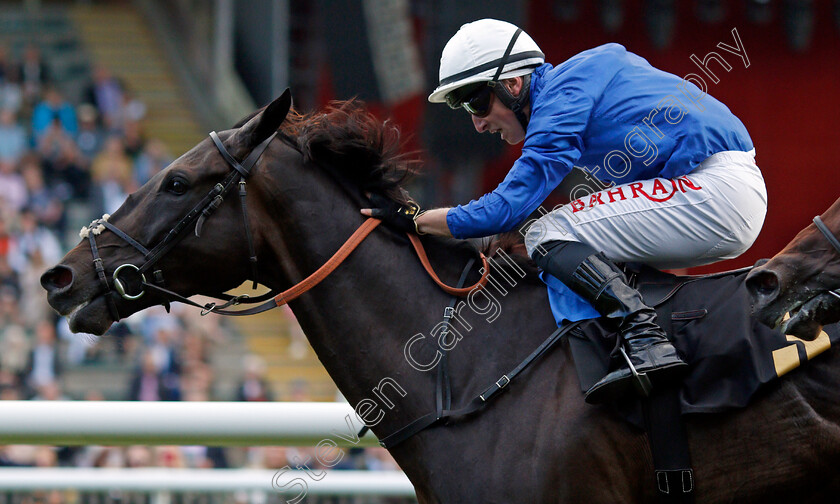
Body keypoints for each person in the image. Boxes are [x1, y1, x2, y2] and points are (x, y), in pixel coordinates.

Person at [362, 19, 767, 404]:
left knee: (547, 232)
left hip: (716, 189)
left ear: (513, 83)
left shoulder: (563, 94)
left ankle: (644, 337)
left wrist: (416, 218)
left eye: (477, 102)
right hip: (717, 189)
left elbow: (506, 209)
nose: (478, 124)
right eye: (467, 109)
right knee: (568, 232)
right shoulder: (576, 85)